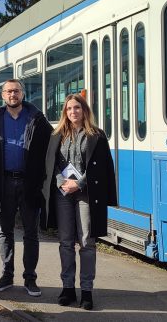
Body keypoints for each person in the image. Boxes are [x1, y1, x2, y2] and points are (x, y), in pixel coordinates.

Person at [43, 93, 116, 310]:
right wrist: (61, 181)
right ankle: (67, 288)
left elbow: (101, 168)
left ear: (84, 110)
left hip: (86, 194)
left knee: (86, 242)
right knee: (65, 241)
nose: (73, 112)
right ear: (65, 112)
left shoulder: (97, 135)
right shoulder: (57, 135)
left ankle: (86, 291)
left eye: (77, 108)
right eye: (69, 109)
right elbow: (52, 164)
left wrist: (79, 183)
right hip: (62, 193)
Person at [0, 79, 52, 297]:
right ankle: (6, 274)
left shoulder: (37, 119)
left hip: (29, 183)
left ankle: (30, 278)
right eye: (8, 91)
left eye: (16, 91)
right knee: (5, 231)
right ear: (3, 96)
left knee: (31, 232)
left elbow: (53, 143)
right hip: (4, 183)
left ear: (22, 93)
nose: (13, 94)